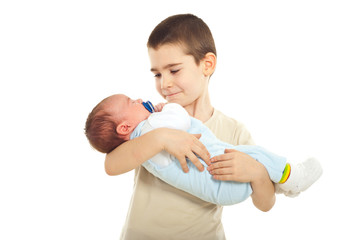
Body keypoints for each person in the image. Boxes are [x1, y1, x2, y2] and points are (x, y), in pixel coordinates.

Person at [103, 14, 319, 239]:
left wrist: (257, 173)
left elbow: (265, 204)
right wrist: (162, 138)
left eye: (174, 70)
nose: (164, 83)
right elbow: (111, 165)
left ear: (207, 65)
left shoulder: (232, 129)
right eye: (157, 74)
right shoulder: (149, 123)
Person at [85, 93, 322, 205]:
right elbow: (180, 121)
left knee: (257, 159)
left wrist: (258, 174)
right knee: (257, 153)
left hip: (224, 186)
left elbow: (265, 205)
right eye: (131, 102)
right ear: (125, 127)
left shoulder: (142, 146)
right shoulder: (147, 130)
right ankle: (293, 177)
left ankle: (281, 181)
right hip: (220, 179)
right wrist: (167, 108)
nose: (138, 99)